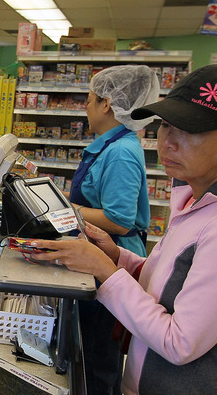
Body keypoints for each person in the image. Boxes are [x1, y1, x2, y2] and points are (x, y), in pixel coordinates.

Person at [32, 64, 217, 394]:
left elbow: (179, 342)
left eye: (191, 129)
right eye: (166, 125)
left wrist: (104, 270)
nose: (167, 141)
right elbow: (175, 284)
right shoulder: (200, 200)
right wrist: (118, 257)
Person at [67, 65, 159, 394]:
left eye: (90, 100)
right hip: (100, 257)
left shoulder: (120, 153)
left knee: (100, 356)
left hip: (112, 263)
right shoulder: (109, 145)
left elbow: (119, 218)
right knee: (90, 351)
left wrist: (69, 210)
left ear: (107, 104)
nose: (86, 107)